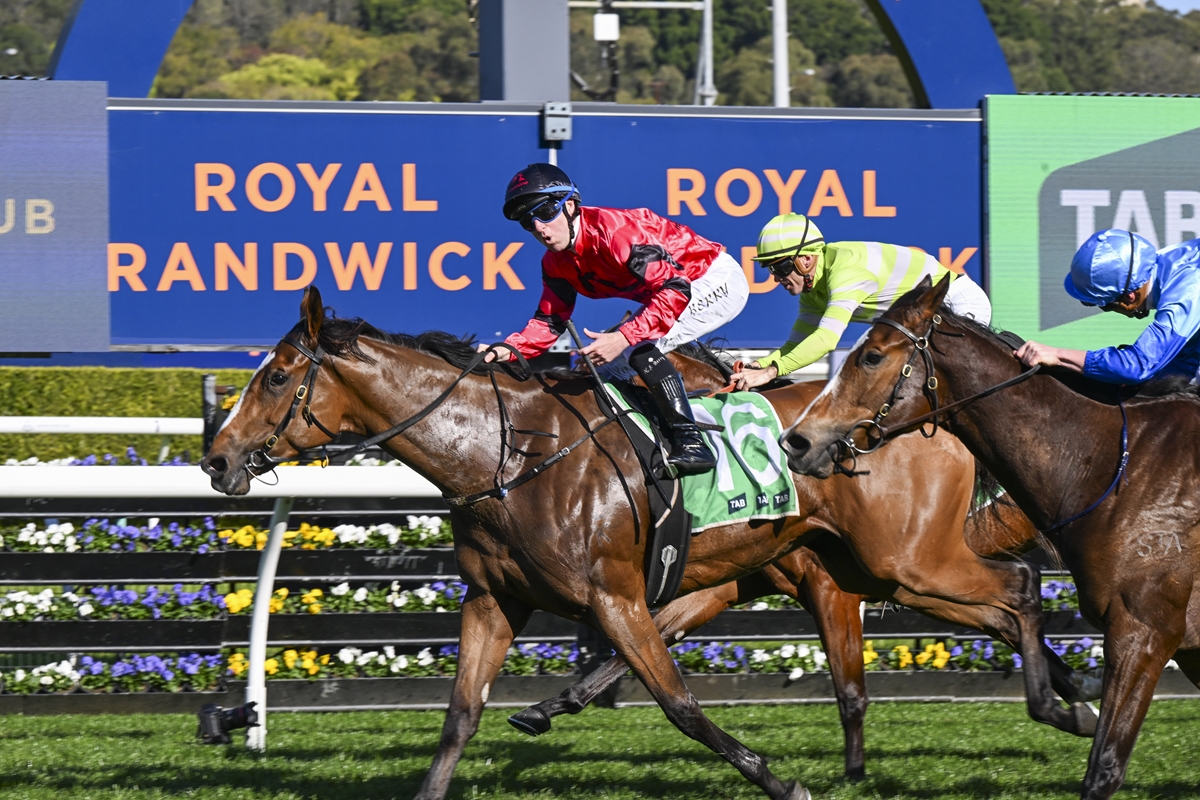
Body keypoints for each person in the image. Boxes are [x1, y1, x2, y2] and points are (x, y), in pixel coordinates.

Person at [486, 163, 750, 475]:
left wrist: (624, 337)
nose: (540, 228)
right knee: (602, 368)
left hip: (711, 279)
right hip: (674, 289)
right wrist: (506, 350)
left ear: (569, 206)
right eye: (527, 222)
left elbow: (675, 289)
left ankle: (692, 443)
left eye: (545, 212)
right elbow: (550, 321)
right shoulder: (556, 263)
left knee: (635, 347)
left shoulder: (616, 234)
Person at [731, 213, 992, 390]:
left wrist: (770, 372)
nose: (776, 278)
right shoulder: (812, 288)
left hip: (956, 303)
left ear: (806, 260)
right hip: (923, 319)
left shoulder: (846, 271)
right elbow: (796, 345)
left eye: (780, 267)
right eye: (770, 269)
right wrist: (760, 365)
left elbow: (826, 340)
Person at [1014, 229, 1200, 383]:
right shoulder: (1166, 262)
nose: (1105, 310)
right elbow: (1182, 362)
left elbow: (1137, 366)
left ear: (1130, 298)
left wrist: (1058, 355)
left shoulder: (1186, 292)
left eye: (1105, 305)